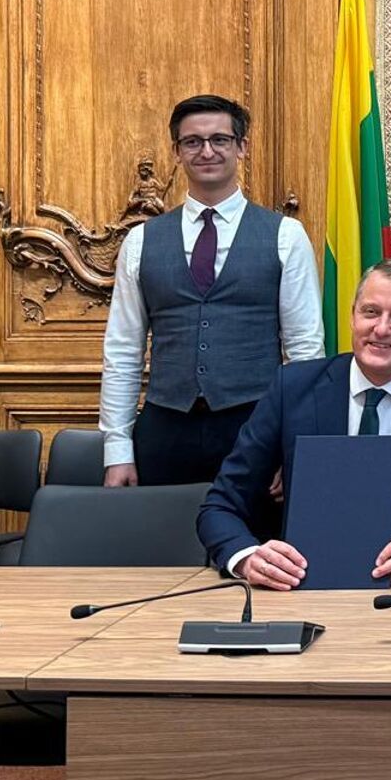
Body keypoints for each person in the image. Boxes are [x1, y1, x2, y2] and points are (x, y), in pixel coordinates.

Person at [197, 260, 391, 587]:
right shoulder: (292, 390)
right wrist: (248, 558)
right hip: (302, 586)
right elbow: (220, 507)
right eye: (370, 312)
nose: (381, 329)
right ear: (352, 316)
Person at [100, 94, 324, 486]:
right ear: (176, 152)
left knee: (254, 529)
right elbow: (123, 350)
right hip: (165, 430)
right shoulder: (140, 241)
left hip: (255, 427)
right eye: (193, 142)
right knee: (160, 529)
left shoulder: (286, 236)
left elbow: (304, 350)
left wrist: (294, 446)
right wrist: (117, 450)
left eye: (220, 139)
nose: (207, 151)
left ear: (242, 147)